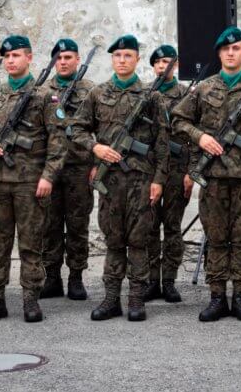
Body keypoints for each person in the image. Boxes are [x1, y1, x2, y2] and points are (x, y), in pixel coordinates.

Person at [171, 27, 241, 322]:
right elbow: (178, 120)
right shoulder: (204, 89)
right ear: (219, 53)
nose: (231, 53)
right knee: (217, 238)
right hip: (214, 178)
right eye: (226, 49)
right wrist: (200, 138)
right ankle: (218, 296)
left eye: (236, 49)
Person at [0, 35, 67, 323]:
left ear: (29, 58)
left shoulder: (45, 96)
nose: (11, 61)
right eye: (7, 57)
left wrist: (48, 176)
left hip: (29, 183)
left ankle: (30, 300)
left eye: (16, 56)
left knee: (31, 243)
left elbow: (58, 141)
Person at [72, 35, 169, 321]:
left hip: (141, 181)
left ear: (137, 59)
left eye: (128, 55)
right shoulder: (98, 93)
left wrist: (159, 180)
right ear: (112, 60)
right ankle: (111, 299)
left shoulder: (152, 96)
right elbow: (75, 130)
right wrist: (96, 148)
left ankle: (136, 300)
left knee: (138, 241)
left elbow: (163, 142)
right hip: (111, 181)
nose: (122, 60)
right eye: (118, 56)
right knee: (114, 241)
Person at [39, 38, 95, 302]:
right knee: (49, 224)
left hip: (79, 167)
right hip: (50, 169)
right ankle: (52, 277)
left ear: (77, 60)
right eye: (59, 58)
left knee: (77, 224)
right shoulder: (41, 90)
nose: (63, 62)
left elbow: (101, 129)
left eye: (68, 57)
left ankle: (76, 278)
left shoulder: (90, 91)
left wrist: (97, 164)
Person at [145, 45, 192, 303]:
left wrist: (190, 173)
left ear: (175, 66)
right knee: (150, 226)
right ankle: (152, 280)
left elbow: (195, 136)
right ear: (153, 66)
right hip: (149, 170)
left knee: (172, 226)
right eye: (159, 62)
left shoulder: (185, 94)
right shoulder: (145, 94)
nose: (163, 66)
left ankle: (170, 281)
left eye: (168, 62)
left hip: (177, 169)